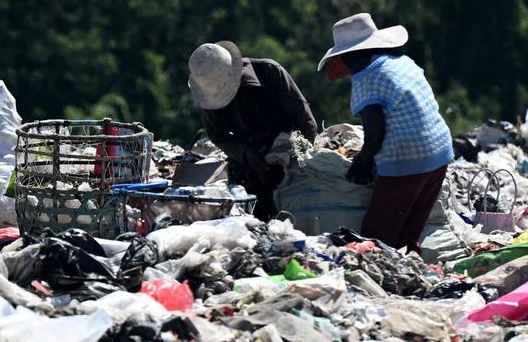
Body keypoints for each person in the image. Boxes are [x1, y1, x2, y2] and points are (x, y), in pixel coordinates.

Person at [318, 13, 452, 253]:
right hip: (439, 151)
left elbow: (375, 131)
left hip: (407, 158)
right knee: (409, 232)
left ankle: (378, 274)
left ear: (348, 56)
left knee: (377, 235)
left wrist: (363, 161)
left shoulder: (366, 78)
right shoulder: (403, 62)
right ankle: (411, 270)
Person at [188, 41, 317, 221]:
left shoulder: (270, 73)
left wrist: (294, 166)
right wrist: (245, 153)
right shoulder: (209, 95)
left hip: (287, 155)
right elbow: (217, 135)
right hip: (249, 161)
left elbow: (306, 123)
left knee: (295, 212)